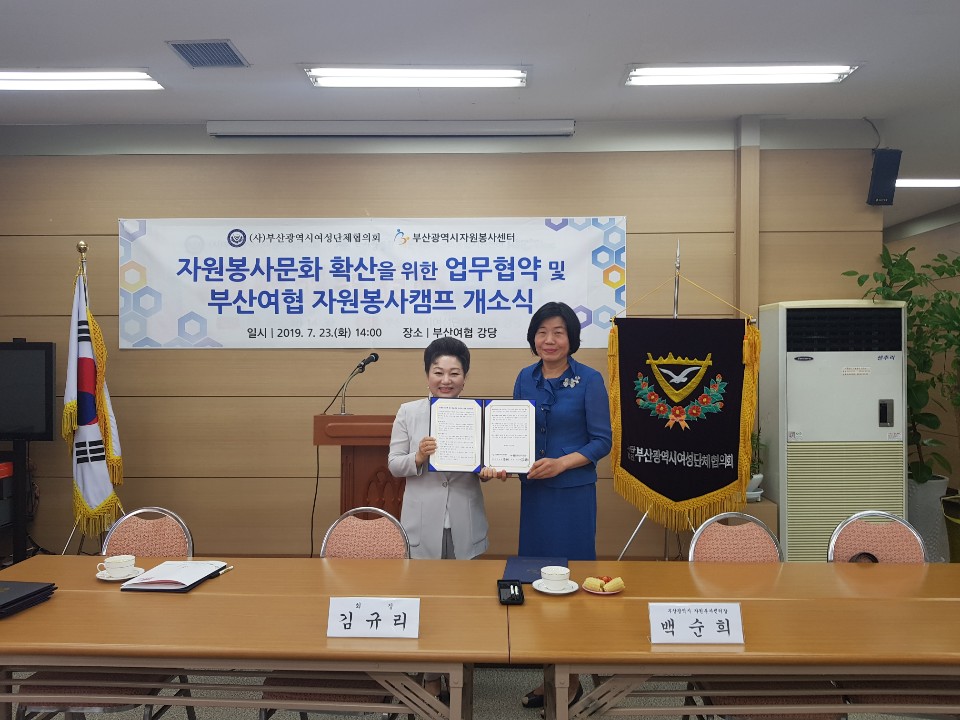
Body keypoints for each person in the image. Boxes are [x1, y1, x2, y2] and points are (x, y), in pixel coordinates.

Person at [482, 301, 612, 708]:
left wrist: (562, 463)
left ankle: (571, 680)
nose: (549, 340)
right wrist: (501, 463)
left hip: (573, 496)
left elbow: (602, 441)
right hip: (536, 496)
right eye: (542, 332)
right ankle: (549, 677)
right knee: (536, 582)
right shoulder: (526, 378)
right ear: (533, 337)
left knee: (571, 584)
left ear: (571, 337)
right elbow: (513, 434)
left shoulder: (589, 379)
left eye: (558, 332)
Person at [388, 335, 490, 561]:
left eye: (454, 373)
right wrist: (418, 456)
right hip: (422, 522)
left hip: (466, 521)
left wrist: (487, 472)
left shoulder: (480, 414)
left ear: (464, 378)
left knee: (464, 582)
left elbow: (484, 465)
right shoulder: (408, 412)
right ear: (427, 375)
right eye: (438, 372)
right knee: (423, 583)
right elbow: (394, 465)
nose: (446, 380)